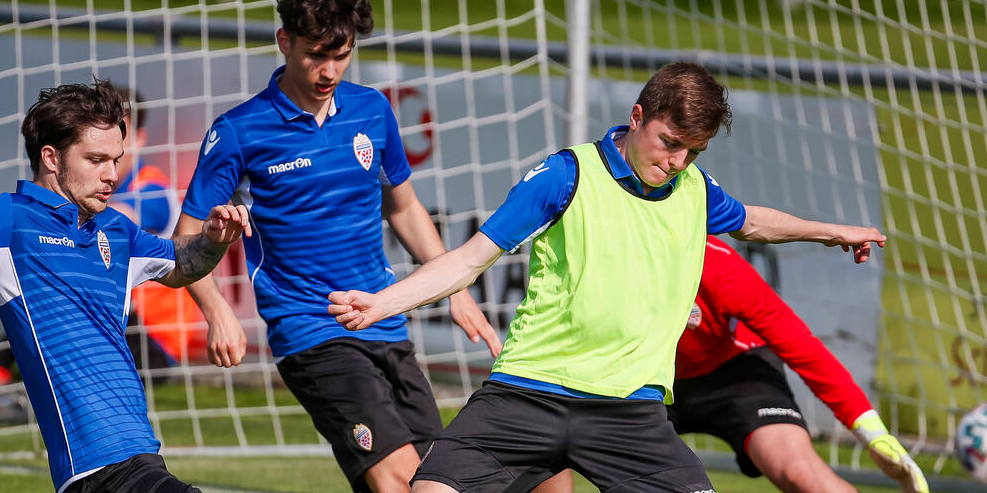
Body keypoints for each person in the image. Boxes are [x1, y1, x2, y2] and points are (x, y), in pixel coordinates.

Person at [328, 61, 888, 493]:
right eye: (670, 144)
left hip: (630, 411)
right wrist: (382, 303)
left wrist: (831, 231)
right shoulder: (567, 174)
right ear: (638, 116)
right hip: (528, 393)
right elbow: (470, 258)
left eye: (693, 152)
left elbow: (752, 221)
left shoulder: (693, 189)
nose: (676, 163)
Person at [173, 0, 502, 493]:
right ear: (285, 42)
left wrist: (454, 290)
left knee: (438, 481)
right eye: (315, 54)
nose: (329, 70)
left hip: (383, 319)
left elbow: (405, 207)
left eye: (341, 54)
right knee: (399, 480)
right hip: (311, 330)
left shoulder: (372, 109)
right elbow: (183, 240)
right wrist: (216, 312)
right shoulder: (239, 130)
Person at [0, 79, 250, 492]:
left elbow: (180, 266)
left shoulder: (117, 229)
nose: (111, 175)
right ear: (51, 157)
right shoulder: (7, 220)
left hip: (140, 454)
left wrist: (212, 241)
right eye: (96, 160)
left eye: (115, 160)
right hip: (95, 469)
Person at [668, 236, 929, 492]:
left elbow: (801, 347)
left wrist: (874, 435)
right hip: (644, 382)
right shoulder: (627, 259)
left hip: (736, 373)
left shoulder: (716, 261)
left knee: (799, 472)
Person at [109, 85, 209, 368]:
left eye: (120, 133)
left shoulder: (152, 190)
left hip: (154, 342)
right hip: (117, 324)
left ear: (139, 139)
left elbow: (116, 218)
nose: (112, 144)